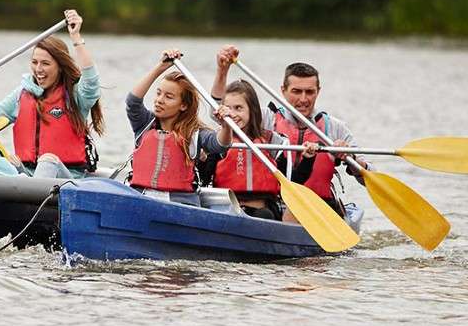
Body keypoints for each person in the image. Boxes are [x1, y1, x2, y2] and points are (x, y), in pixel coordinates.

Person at [211, 45, 367, 220]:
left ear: (318, 92)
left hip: (321, 206)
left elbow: (366, 177)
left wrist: (351, 158)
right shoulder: (263, 118)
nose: (303, 99)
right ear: (283, 90)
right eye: (296, 91)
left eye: (309, 92)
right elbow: (219, 114)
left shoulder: (335, 127)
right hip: (280, 206)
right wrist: (222, 71)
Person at [0, 9, 104, 179]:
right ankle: (21, 185)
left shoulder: (75, 95)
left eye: (45, 64)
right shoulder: (22, 94)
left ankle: (26, 190)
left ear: (60, 66)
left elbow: (91, 83)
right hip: (27, 174)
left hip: (64, 177)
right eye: (35, 62)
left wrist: (76, 38)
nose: (38, 69)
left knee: (47, 161)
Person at [125, 49, 231, 206]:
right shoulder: (144, 124)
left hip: (180, 205)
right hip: (142, 199)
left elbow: (220, 144)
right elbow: (133, 102)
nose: (159, 100)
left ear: (183, 105)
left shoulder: (195, 133)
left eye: (168, 97)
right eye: (158, 93)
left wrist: (225, 125)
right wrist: (160, 67)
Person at [205, 79, 318, 220]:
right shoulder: (218, 142)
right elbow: (204, 178)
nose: (232, 114)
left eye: (238, 108)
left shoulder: (273, 142)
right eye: (228, 108)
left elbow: (293, 181)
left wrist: (308, 159)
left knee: (264, 215)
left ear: (252, 110)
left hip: (262, 211)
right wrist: (201, 157)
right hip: (227, 210)